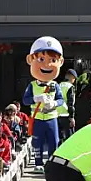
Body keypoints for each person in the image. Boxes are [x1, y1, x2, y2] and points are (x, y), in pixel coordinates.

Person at [22, 36, 66, 170]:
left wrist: (53, 104)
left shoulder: (55, 85)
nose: (47, 65)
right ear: (31, 60)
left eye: (53, 60)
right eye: (41, 59)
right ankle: (38, 163)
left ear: (60, 62)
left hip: (51, 118)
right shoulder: (32, 85)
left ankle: (53, 165)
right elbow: (25, 100)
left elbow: (61, 100)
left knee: (54, 142)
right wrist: (36, 98)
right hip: (37, 118)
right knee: (37, 142)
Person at [58, 69, 78, 142]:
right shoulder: (70, 87)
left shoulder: (58, 85)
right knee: (69, 139)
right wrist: (72, 117)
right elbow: (70, 103)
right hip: (66, 115)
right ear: (72, 77)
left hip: (57, 115)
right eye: (74, 79)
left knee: (60, 138)